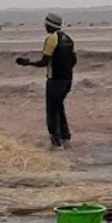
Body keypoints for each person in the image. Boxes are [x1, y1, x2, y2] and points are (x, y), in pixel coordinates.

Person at [15, 12, 77, 149]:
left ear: (49, 25)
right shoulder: (68, 38)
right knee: (59, 107)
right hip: (67, 80)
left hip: (54, 80)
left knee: (52, 111)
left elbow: (44, 61)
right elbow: (74, 60)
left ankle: (56, 142)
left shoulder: (51, 39)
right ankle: (66, 138)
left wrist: (27, 63)